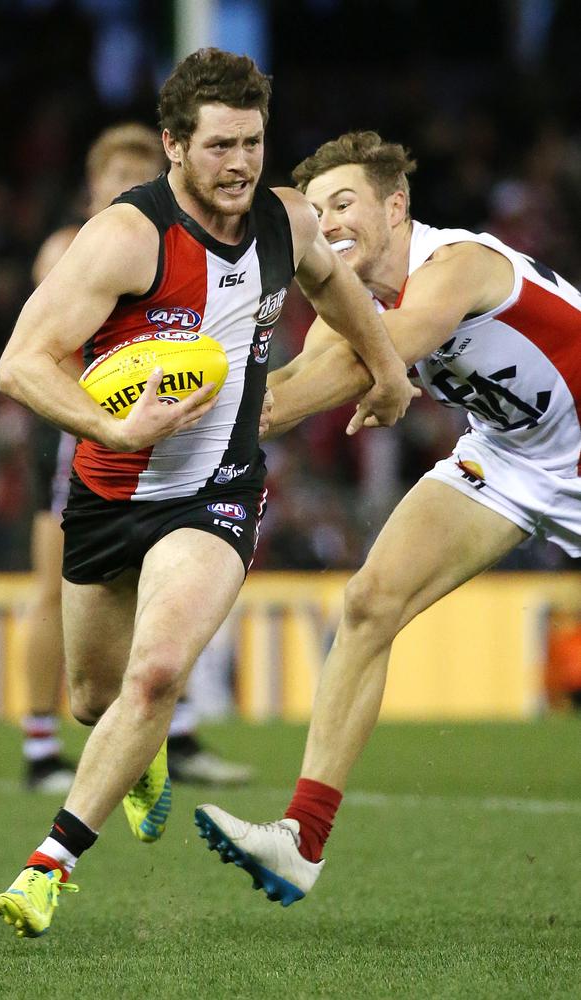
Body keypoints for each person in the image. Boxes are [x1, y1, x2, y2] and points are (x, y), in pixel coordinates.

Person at [0, 57, 414, 938]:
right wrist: (112, 431)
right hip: (109, 491)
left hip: (218, 490)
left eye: (254, 141)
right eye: (219, 143)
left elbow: (339, 289)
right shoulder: (123, 239)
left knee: (156, 675)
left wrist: (388, 370)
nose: (241, 162)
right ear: (176, 147)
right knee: (92, 697)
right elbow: (21, 363)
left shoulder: (285, 222)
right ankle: (137, 754)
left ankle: (48, 866)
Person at [195, 129, 581, 906]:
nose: (331, 222)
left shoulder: (460, 263)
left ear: (396, 206)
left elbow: (387, 346)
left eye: (348, 203)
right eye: (320, 210)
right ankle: (301, 840)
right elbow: (308, 370)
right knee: (368, 604)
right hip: (514, 459)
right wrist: (213, 408)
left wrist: (233, 417)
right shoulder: (357, 303)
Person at [23, 123, 253, 792]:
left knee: (171, 584)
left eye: (138, 174)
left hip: (174, 436)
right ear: (90, 188)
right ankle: (40, 746)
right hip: (83, 434)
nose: (127, 188)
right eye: (113, 177)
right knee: (55, 593)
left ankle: (167, 735)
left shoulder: (180, 248)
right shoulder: (71, 249)